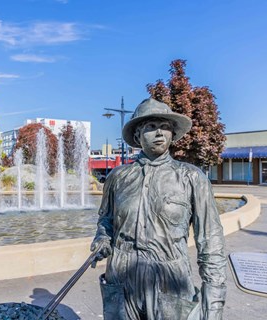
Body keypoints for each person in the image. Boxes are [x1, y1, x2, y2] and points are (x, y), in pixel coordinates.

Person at [91, 98, 227, 320]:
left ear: (172, 135)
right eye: (151, 127)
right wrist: (102, 239)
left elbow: (210, 239)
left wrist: (214, 298)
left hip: (171, 277)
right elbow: (105, 221)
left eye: (165, 127)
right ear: (137, 136)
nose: (159, 133)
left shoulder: (191, 177)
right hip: (122, 275)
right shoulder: (118, 177)